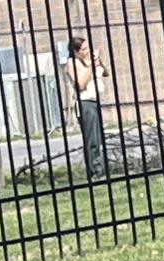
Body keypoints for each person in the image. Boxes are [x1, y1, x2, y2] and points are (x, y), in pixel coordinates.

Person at [66, 36, 107, 180]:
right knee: (92, 139)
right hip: (85, 104)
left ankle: (100, 167)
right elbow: (81, 85)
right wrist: (90, 67)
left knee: (99, 137)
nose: (87, 51)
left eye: (88, 48)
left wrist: (97, 60)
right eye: (84, 49)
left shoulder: (89, 61)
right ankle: (95, 172)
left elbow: (105, 73)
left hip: (95, 101)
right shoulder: (73, 63)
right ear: (76, 52)